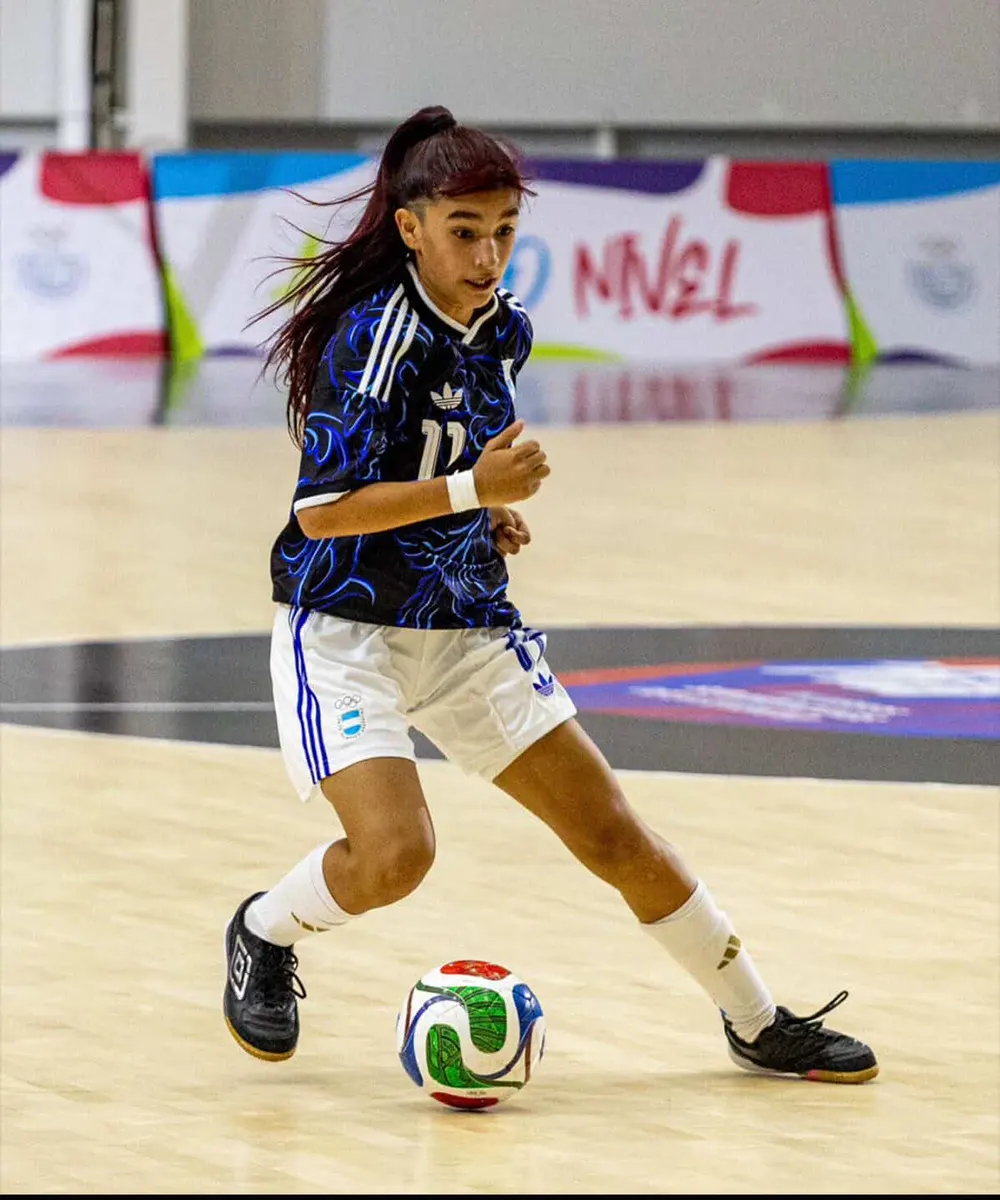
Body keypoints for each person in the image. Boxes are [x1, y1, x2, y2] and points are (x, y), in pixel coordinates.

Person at [223, 105, 878, 1085]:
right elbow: (322, 511)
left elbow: (456, 459)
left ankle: (757, 1020)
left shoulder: (503, 331)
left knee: (611, 830)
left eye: (503, 232)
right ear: (410, 227)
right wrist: (470, 491)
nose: (489, 255)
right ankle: (263, 932)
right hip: (345, 627)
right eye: (464, 232)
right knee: (397, 857)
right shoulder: (371, 339)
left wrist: (481, 517)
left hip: (465, 620)